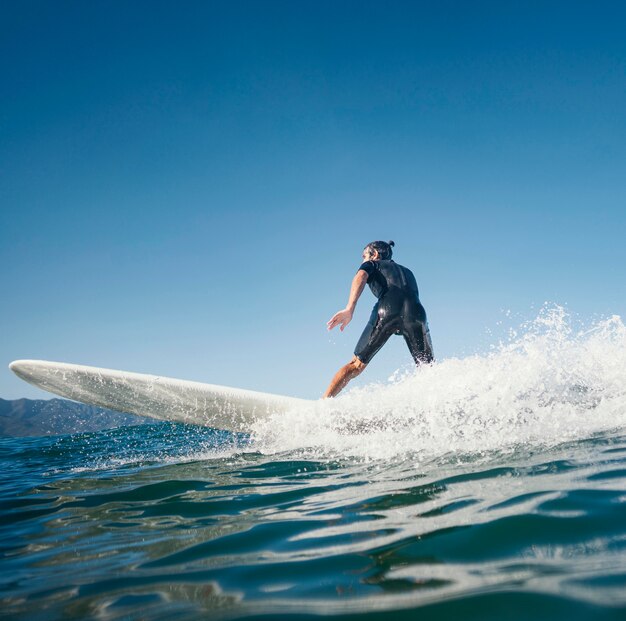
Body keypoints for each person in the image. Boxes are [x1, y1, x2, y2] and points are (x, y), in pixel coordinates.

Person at [324, 240, 434, 398]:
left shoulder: (372, 264)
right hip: (417, 314)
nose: (363, 260)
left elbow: (361, 275)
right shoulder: (408, 272)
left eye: (364, 256)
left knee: (356, 365)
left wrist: (350, 308)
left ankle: (323, 403)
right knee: (427, 368)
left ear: (374, 254)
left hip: (388, 309)